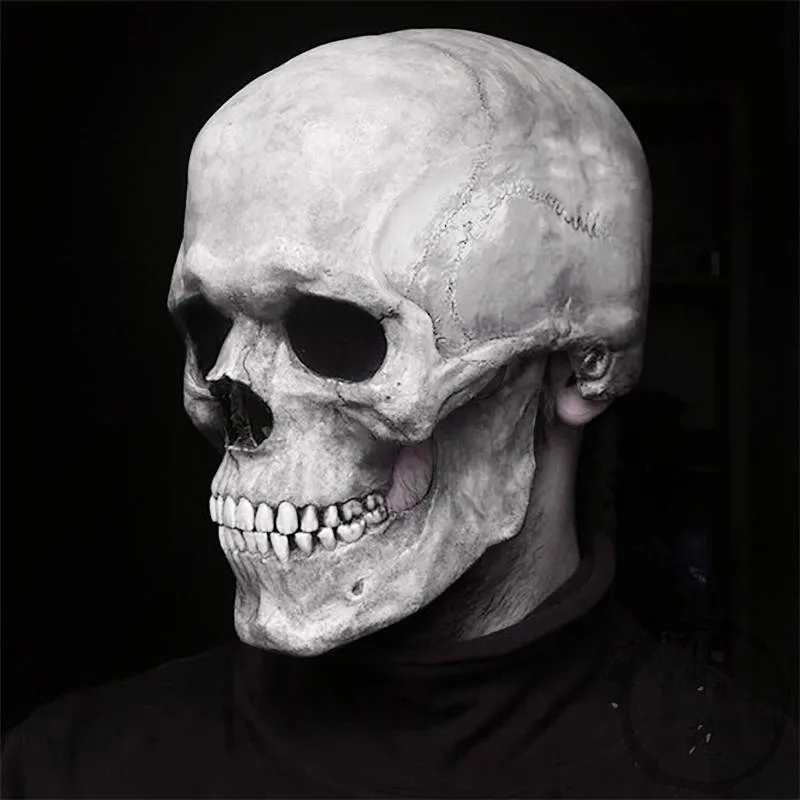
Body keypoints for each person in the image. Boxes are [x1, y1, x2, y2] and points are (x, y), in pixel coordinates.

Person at [2, 28, 796, 799]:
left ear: (579, 367)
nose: (234, 398)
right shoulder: (62, 773)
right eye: (210, 326)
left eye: (337, 332)